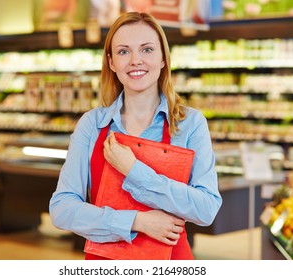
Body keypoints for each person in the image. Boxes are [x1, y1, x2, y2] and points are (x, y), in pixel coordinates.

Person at [49, 11, 222, 260]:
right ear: (111, 62)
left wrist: (134, 171)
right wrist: (137, 222)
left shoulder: (189, 124)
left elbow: (206, 209)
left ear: (163, 58)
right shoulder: (93, 125)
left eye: (147, 49)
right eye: (123, 51)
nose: (135, 60)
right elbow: (62, 209)